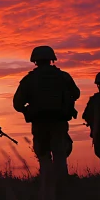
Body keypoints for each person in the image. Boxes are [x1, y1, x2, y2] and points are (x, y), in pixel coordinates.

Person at [13, 46, 80, 180]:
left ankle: (46, 181)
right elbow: (76, 94)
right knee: (60, 152)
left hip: (39, 122)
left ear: (35, 61)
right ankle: (62, 181)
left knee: (43, 154)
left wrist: (28, 109)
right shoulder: (63, 76)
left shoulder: (29, 79)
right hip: (59, 120)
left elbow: (17, 104)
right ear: (51, 59)